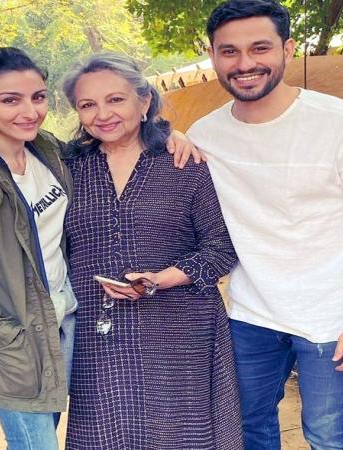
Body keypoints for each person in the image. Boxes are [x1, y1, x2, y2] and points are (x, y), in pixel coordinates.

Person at [0, 47, 199, 450]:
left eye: (38, 97)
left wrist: (166, 132)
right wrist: (3, 338)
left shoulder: (44, 151)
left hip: (62, 325)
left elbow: (117, 137)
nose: (29, 111)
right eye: (10, 100)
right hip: (17, 341)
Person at [186, 1, 343, 449]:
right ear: (213, 56)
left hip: (333, 317)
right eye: (229, 51)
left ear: (288, 49)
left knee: (328, 436)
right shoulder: (203, 135)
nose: (244, 63)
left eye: (260, 48)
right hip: (250, 312)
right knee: (248, 429)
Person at [60, 53, 243, 450]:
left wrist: (160, 280)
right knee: (103, 435)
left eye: (116, 100)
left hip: (180, 335)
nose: (102, 114)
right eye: (87, 105)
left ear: (144, 103)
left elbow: (221, 246)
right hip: (98, 334)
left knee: (178, 436)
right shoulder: (67, 167)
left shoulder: (184, 163)